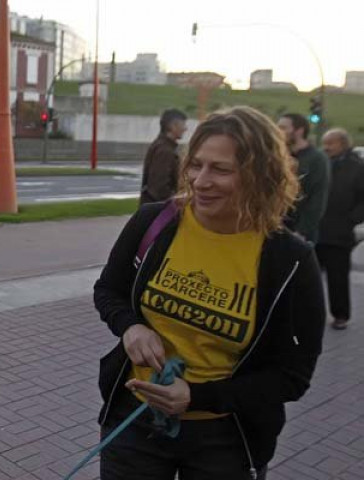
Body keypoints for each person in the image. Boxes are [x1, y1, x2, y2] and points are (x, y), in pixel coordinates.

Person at [94, 106, 325, 479]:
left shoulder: (290, 260)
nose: (201, 181)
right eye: (195, 165)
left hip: (225, 440)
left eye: (220, 169)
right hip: (134, 421)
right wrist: (130, 326)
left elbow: (292, 376)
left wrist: (198, 398)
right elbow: (108, 290)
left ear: (259, 176)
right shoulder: (154, 222)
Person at [316, 128, 364, 330]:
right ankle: (310, 313)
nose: (326, 147)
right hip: (316, 230)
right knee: (309, 277)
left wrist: (351, 219)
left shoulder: (357, 167)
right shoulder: (321, 163)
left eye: (331, 143)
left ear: (343, 144)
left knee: (338, 277)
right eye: (324, 143)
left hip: (339, 232)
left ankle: (340, 315)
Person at [277, 113, 330, 244]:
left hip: (299, 232)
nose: (279, 132)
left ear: (299, 131)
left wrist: (302, 231)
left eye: (284, 128)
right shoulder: (279, 155)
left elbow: (317, 198)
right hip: (276, 228)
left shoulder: (317, 159)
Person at [140, 109, 188, 205]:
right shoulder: (164, 150)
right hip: (161, 213)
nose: (185, 128)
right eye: (183, 125)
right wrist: (176, 202)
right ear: (172, 126)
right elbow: (159, 188)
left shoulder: (163, 146)